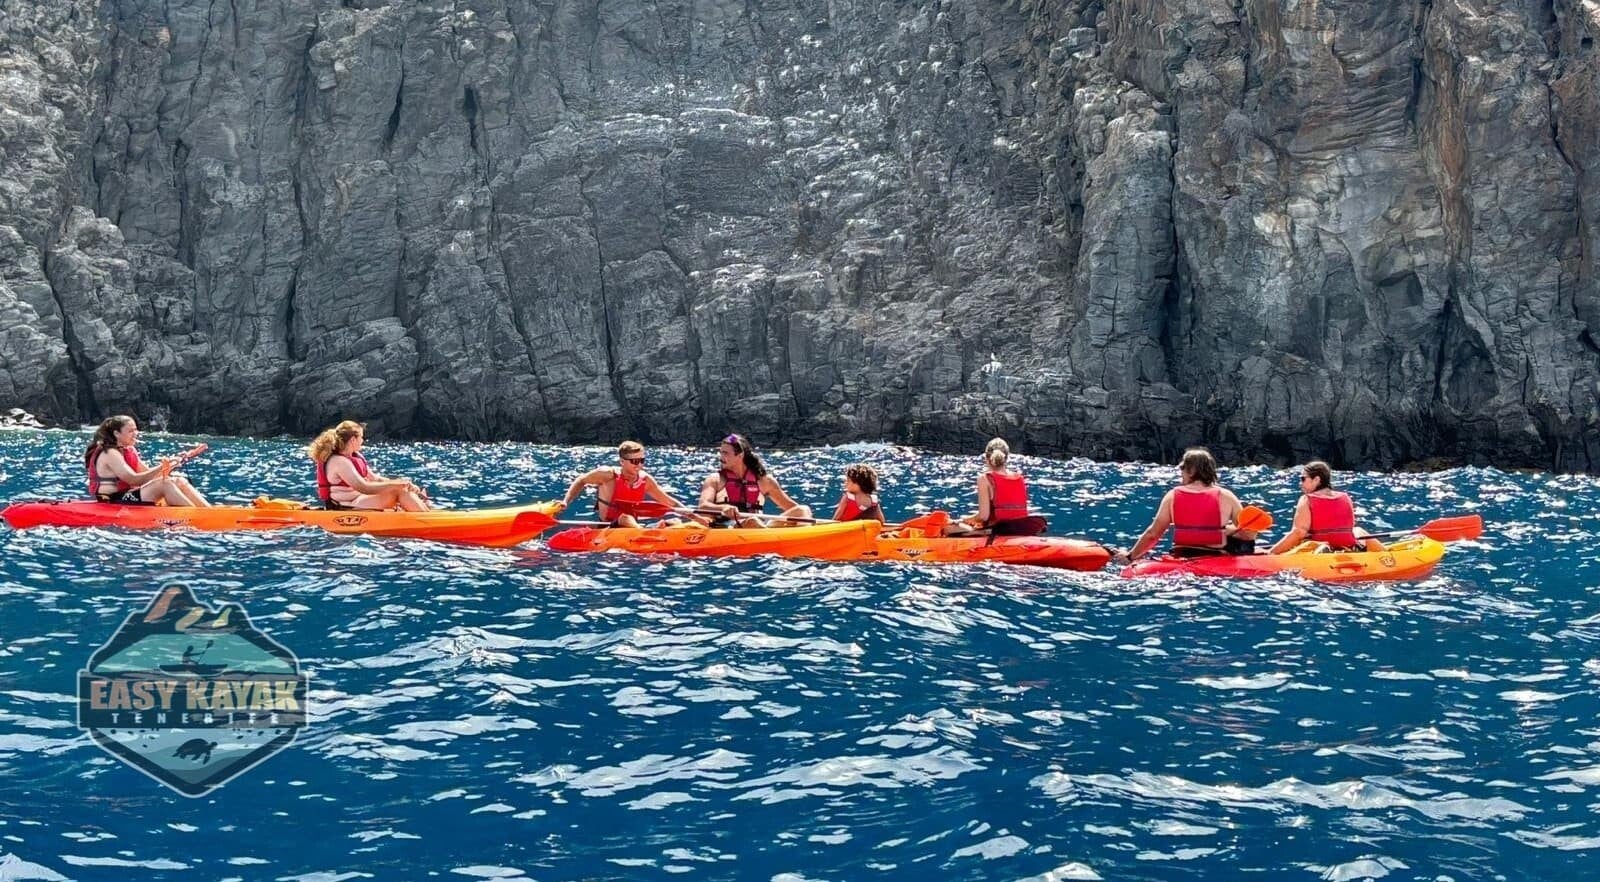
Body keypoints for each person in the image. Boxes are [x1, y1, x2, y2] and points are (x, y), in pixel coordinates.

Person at [1116, 447, 1257, 562]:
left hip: (1181, 555)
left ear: (1191, 471)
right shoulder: (1227, 496)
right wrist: (1225, 530)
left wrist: (1130, 556)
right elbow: (1247, 533)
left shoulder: (1172, 496)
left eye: (1183, 468)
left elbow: (1153, 534)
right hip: (1215, 556)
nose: (1181, 473)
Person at [553, 441, 698, 527]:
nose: (639, 465)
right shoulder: (607, 474)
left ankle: (651, 530)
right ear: (622, 461)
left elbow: (670, 503)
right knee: (625, 518)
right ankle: (644, 532)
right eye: (634, 461)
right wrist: (566, 501)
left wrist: (697, 518)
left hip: (633, 526)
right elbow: (581, 480)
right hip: (608, 526)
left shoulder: (645, 479)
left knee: (675, 521)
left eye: (642, 460)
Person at [84, 415, 210, 506]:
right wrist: (161, 467)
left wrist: (176, 461)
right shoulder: (110, 452)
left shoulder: (129, 450)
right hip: (112, 500)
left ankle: (207, 512)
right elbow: (133, 479)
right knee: (165, 484)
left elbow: (152, 476)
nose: (136, 433)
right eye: (130, 431)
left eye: (136, 430)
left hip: (128, 495)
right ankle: (197, 518)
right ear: (117, 433)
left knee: (178, 480)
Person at [307, 420, 431, 512]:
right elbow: (363, 487)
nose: (363, 440)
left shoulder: (356, 456)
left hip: (360, 499)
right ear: (353, 440)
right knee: (399, 491)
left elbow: (376, 479)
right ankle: (425, 519)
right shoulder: (339, 462)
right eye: (361, 437)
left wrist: (405, 484)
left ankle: (424, 512)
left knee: (402, 489)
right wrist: (398, 486)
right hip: (346, 505)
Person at [698, 433, 813, 527]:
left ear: (740, 455)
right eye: (721, 452)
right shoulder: (715, 479)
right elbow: (703, 506)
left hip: (760, 527)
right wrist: (723, 508)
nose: (720, 457)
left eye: (725, 453)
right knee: (752, 521)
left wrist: (805, 518)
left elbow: (792, 508)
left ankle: (807, 540)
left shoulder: (765, 481)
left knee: (803, 510)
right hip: (728, 528)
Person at [1269, 461, 1383, 553]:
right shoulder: (1345, 497)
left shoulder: (1306, 499)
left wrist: (1271, 553)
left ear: (1316, 479)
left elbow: (1298, 532)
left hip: (1319, 547)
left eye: (1303, 479)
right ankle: (1384, 554)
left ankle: (1323, 549)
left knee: (1305, 542)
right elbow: (1348, 527)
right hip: (1348, 546)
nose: (1301, 483)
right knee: (1358, 531)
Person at [944, 437, 1041, 536]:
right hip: (1020, 529)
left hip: (997, 531)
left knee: (947, 529)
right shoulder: (1020, 478)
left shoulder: (984, 479)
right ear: (1007, 458)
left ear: (986, 458)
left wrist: (962, 520)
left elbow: (983, 516)